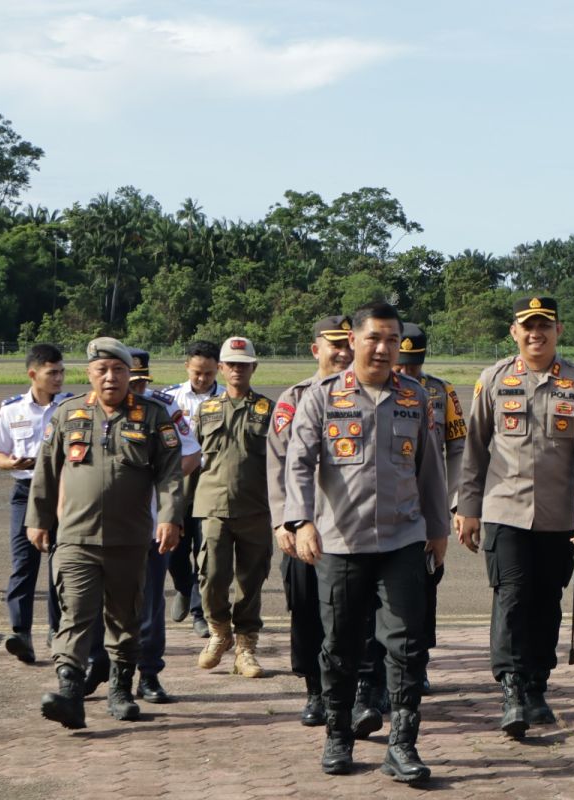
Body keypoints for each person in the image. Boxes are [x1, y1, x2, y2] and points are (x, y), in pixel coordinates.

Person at [284, 302, 448, 782]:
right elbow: (298, 462)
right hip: (341, 540)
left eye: (391, 340)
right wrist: (301, 521)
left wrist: (437, 530)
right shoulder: (321, 396)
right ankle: (338, 735)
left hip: (403, 537)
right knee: (339, 644)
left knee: (406, 644)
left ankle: (403, 744)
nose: (382, 348)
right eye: (373, 337)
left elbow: (430, 469)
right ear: (352, 340)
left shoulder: (415, 397)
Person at [456, 295, 574, 738]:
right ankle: (512, 689)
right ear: (514, 331)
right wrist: (468, 508)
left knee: (546, 602)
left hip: (559, 517)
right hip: (504, 509)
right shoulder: (494, 379)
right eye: (528, 326)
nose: (536, 333)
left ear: (559, 330)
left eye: (545, 326)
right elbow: (474, 449)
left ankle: (538, 684)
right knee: (512, 598)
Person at [26, 337, 183, 729]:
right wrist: (38, 519)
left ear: (130, 373)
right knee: (75, 614)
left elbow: (169, 472)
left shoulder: (152, 416)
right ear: (89, 373)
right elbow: (46, 469)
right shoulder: (68, 413)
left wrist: (170, 517)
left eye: (118, 370)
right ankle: (70, 693)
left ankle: (120, 688)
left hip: (130, 540)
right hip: (75, 537)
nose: (110, 377)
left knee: (125, 618)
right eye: (101, 370)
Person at [82, 349, 202, 704]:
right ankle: (97, 665)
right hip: (98, 526)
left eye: (138, 380)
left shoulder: (161, 410)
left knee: (147, 605)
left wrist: (155, 480)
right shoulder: (86, 408)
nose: (132, 385)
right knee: (92, 603)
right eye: (126, 377)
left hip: (148, 525)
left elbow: (192, 453)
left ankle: (147, 674)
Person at [266, 315, 354, 727]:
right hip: (305, 524)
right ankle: (315, 691)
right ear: (315, 349)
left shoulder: (365, 393)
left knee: (354, 613)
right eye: (333, 344)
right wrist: (286, 521)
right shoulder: (295, 397)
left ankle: (359, 689)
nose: (342, 352)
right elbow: (279, 463)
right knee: (306, 609)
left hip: (351, 525)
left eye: (347, 343)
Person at [391, 321, 468, 693]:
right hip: (391, 503)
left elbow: (457, 448)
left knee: (425, 585)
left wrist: (453, 501)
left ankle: (418, 661)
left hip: (426, 505)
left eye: (413, 365)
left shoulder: (440, 391)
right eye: (401, 364)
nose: (406, 372)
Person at [193, 337, 273, 678]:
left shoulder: (270, 410)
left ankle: (245, 646)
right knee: (211, 576)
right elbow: (191, 460)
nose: (237, 369)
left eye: (244, 364)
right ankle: (218, 632)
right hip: (212, 506)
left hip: (256, 506)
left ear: (253, 367)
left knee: (251, 580)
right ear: (221, 368)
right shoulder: (206, 410)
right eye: (231, 364)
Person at [0, 344, 69, 662]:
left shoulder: (70, 407)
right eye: (53, 373)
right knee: (24, 563)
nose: (59, 378)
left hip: (64, 492)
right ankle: (21, 633)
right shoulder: (12, 409)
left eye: (62, 371)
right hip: (26, 492)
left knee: (60, 565)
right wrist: (11, 464)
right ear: (33, 374)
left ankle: (57, 630)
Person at [164, 340, 225, 639]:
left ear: (219, 370)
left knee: (206, 550)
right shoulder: (169, 398)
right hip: (179, 481)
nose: (202, 379)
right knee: (175, 547)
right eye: (198, 372)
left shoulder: (227, 398)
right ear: (187, 365)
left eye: (209, 374)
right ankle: (182, 587)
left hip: (212, 482)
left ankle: (200, 613)